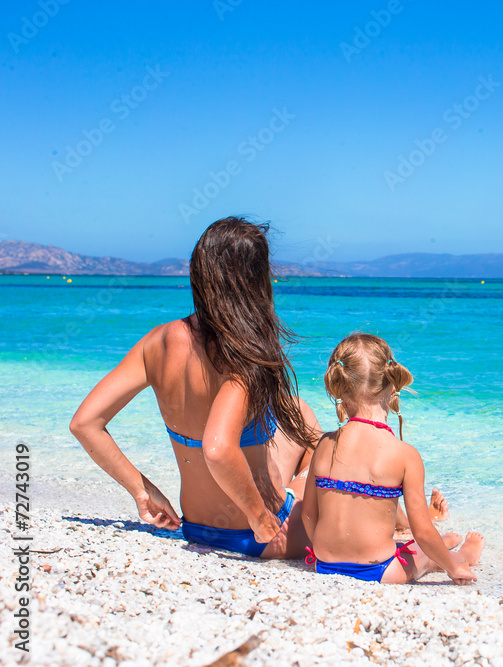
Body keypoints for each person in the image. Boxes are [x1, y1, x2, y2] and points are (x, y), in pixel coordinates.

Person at [70, 217, 319, 558]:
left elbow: (84, 423)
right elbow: (217, 449)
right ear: (256, 280)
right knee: (328, 454)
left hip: (197, 526)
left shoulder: (157, 341)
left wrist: (144, 492)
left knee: (299, 411)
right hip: (258, 532)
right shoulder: (243, 354)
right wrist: (259, 517)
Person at [302, 333, 483, 584]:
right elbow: (421, 531)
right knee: (423, 555)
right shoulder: (405, 455)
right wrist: (453, 569)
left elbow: (309, 514)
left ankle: (446, 542)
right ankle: (465, 554)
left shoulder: (325, 443)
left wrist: (328, 554)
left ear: (340, 387)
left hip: (324, 565)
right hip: (381, 571)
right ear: (392, 385)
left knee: (418, 545)